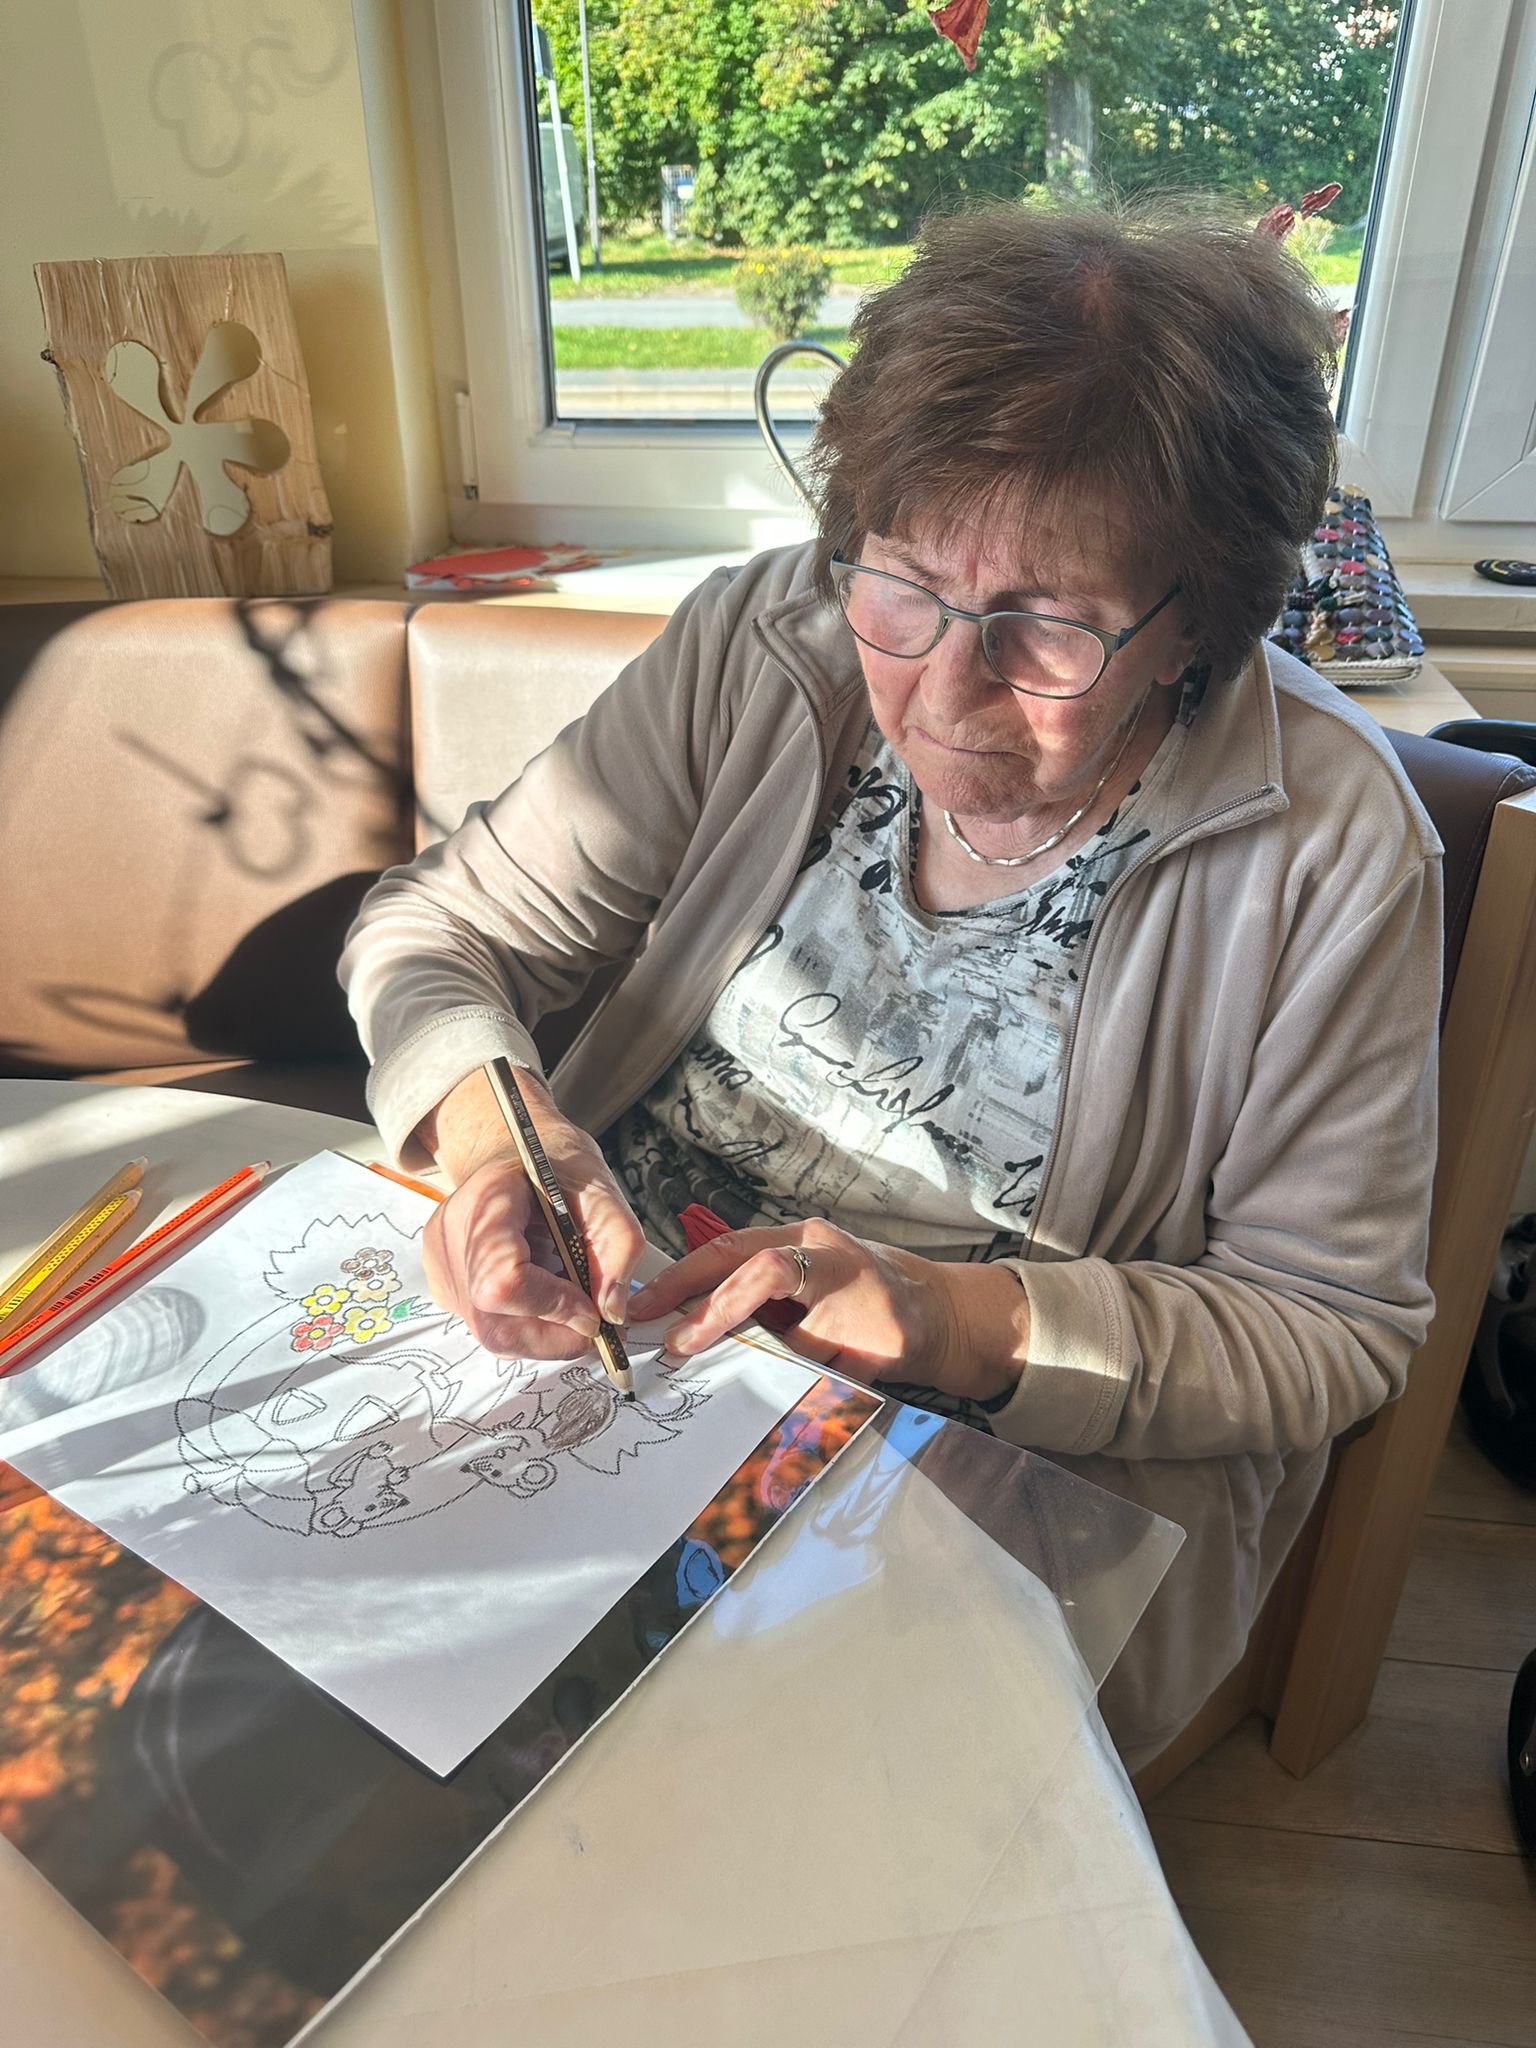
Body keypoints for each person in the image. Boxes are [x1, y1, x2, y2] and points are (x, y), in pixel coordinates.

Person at [340, 196, 1441, 1767]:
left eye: (1047, 631)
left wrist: (949, 1319)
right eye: (902, 586)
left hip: (1007, 1468)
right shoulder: (766, 640)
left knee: (696, 1804)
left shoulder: (1330, 845)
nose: (940, 694)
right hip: (606, 1357)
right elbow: (436, 933)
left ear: (1198, 621)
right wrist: (500, 1137)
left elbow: (1327, 1327)